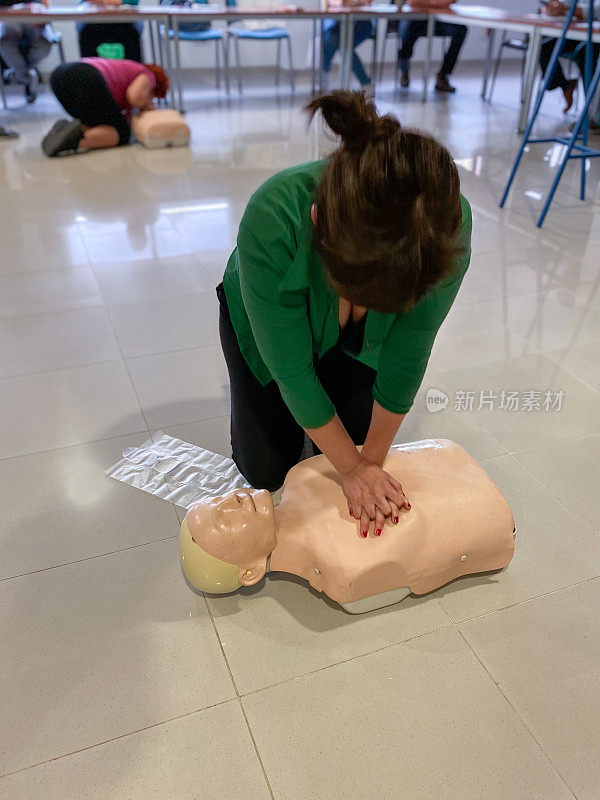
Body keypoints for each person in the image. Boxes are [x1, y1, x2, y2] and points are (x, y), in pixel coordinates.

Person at [218, 90, 472, 537]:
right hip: (267, 318)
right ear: (318, 222)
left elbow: (410, 348)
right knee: (266, 470)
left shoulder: (443, 230)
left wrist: (366, 463)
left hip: (363, 330)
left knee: (348, 440)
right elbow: (291, 369)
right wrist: (351, 470)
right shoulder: (273, 213)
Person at [41, 57, 168, 157]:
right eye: (153, 96)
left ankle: (66, 132)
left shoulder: (127, 69)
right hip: (84, 76)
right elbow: (135, 97)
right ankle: (74, 141)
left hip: (59, 76)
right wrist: (146, 106)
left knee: (98, 123)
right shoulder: (147, 74)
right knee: (122, 132)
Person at [538, 0, 600, 112]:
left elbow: (595, 10)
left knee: (587, 52)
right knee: (544, 46)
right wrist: (557, 8)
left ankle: (592, 114)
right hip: (580, 30)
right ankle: (565, 86)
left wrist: (567, 10)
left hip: (594, 36)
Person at [397, 0, 467, 93]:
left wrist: (430, 3)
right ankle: (404, 72)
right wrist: (436, 3)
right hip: (416, 16)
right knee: (407, 29)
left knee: (461, 30)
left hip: (438, 18)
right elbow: (412, 2)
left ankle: (443, 76)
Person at [0, 0, 53, 102]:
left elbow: (45, 4)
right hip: (8, 13)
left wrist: (40, 9)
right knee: (4, 42)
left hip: (34, 12)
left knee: (44, 44)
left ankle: (18, 74)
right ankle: (29, 78)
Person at [322, 0, 375, 96]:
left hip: (361, 22)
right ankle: (323, 78)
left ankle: (366, 84)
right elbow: (327, 2)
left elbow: (368, 1)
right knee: (331, 39)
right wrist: (340, 3)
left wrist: (356, 1)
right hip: (336, 22)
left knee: (345, 47)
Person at [77, 0, 143, 63]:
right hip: (94, 20)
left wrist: (103, 1)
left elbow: (133, 1)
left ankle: (135, 71)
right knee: (87, 33)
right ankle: (90, 70)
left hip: (124, 19)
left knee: (131, 33)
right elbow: (83, 2)